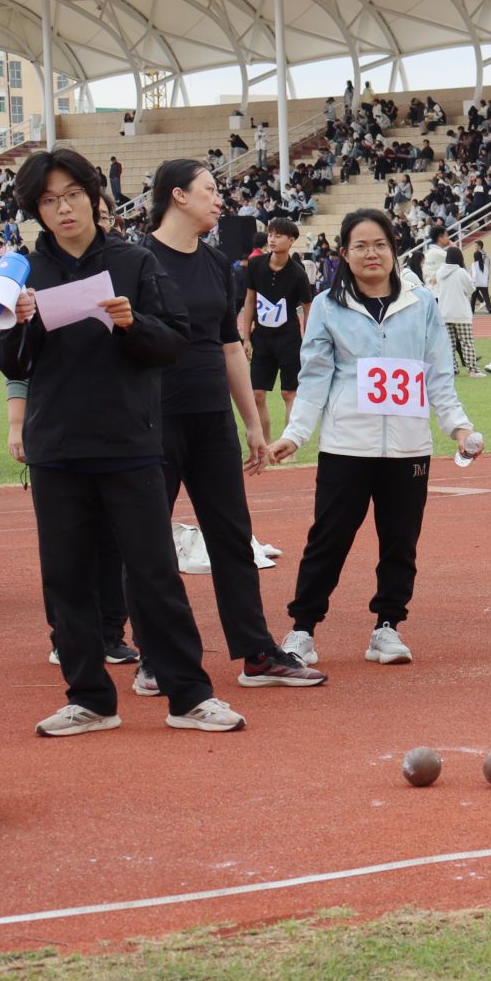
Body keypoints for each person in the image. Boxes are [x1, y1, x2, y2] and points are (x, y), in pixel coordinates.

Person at [0, 148, 246, 736]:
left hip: (130, 444)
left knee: (154, 573)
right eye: (48, 200)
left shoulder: (134, 262)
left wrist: (132, 322)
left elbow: (175, 341)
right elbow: (7, 360)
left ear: (93, 197)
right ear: (36, 210)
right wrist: (20, 321)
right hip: (57, 448)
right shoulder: (23, 270)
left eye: (72, 195)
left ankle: (189, 695)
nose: (63, 208)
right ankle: (89, 698)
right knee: (67, 578)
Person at [141, 159, 325, 693]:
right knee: (148, 544)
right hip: (151, 421)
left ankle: (256, 653)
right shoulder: (137, 261)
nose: (220, 200)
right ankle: (155, 656)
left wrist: (251, 425)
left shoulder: (219, 263)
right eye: (210, 190)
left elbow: (228, 346)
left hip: (211, 421)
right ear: (178, 195)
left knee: (232, 536)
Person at [267, 209, 478, 670]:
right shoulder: (327, 306)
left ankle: (387, 627)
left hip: (408, 448)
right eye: (360, 246)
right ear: (344, 253)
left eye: (380, 244)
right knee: (328, 539)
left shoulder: (421, 304)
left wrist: (459, 428)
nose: (371, 254)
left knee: (400, 541)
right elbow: (315, 376)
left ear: (393, 250)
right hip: (346, 446)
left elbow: (438, 375)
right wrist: (295, 434)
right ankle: (303, 629)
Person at [239, 217, 316, 430]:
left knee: (289, 393)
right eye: (270, 234)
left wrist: (307, 340)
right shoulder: (255, 264)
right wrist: (247, 338)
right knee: (256, 394)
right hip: (261, 338)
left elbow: (308, 307)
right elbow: (250, 300)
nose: (272, 239)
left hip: (289, 339)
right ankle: (265, 443)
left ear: (291, 240)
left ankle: (287, 444)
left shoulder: (298, 274)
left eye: (278, 236)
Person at [428, 246, 481, 377]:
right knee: (466, 342)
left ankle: (452, 369)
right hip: (461, 313)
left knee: (449, 344)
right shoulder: (461, 272)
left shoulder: (440, 272)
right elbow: (471, 289)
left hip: (444, 312)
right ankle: (472, 369)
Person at [469, 244, 491, 313]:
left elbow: (474, 274)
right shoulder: (484, 265)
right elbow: (487, 273)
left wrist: (472, 281)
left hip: (476, 283)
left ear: (475, 257)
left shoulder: (474, 264)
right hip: (484, 283)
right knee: (486, 296)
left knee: (473, 297)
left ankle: (472, 310)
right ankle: (489, 308)